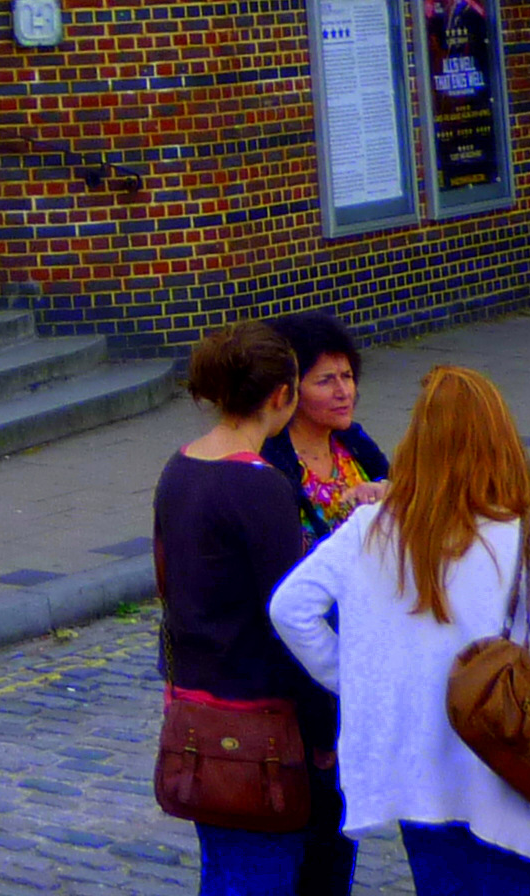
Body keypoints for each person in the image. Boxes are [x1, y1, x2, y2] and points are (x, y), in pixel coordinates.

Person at [273, 362, 530, 896]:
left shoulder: (371, 529)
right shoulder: (526, 538)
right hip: (514, 778)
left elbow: (290, 609)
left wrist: (354, 679)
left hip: (419, 783)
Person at [157, 323, 351, 896]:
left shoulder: (180, 467)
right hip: (260, 725)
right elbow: (288, 618)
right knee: (262, 875)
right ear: (281, 396)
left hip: (198, 710)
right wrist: (324, 733)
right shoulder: (259, 486)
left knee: (224, 869)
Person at [264, 315, 392, 547]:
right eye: (325, 381)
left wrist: (385, 490)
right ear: (291, 390)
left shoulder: (353, 439)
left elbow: (396, 485)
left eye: (347, 376)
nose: (343, 392)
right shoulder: (274, 458)